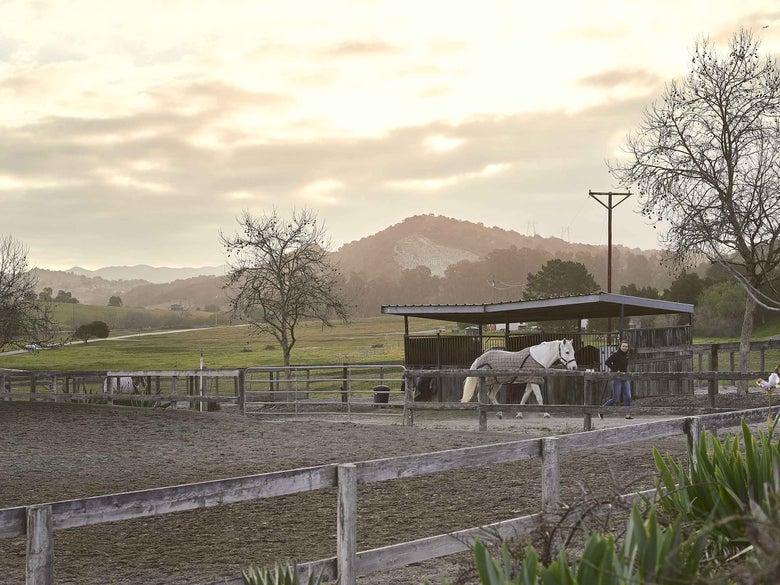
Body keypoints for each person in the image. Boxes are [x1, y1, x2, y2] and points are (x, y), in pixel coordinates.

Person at [600, 340, 633, 419]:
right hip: (617, 378)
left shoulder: (626, 356)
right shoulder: (616, 354)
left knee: (628, 396)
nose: (625, 348)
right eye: (623, 346)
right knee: (615, 399)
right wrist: (616, 369)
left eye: (626, 346)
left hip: (625, 378)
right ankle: (601, 410)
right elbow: (607, 362)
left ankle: (627, 414)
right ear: (620, 346)